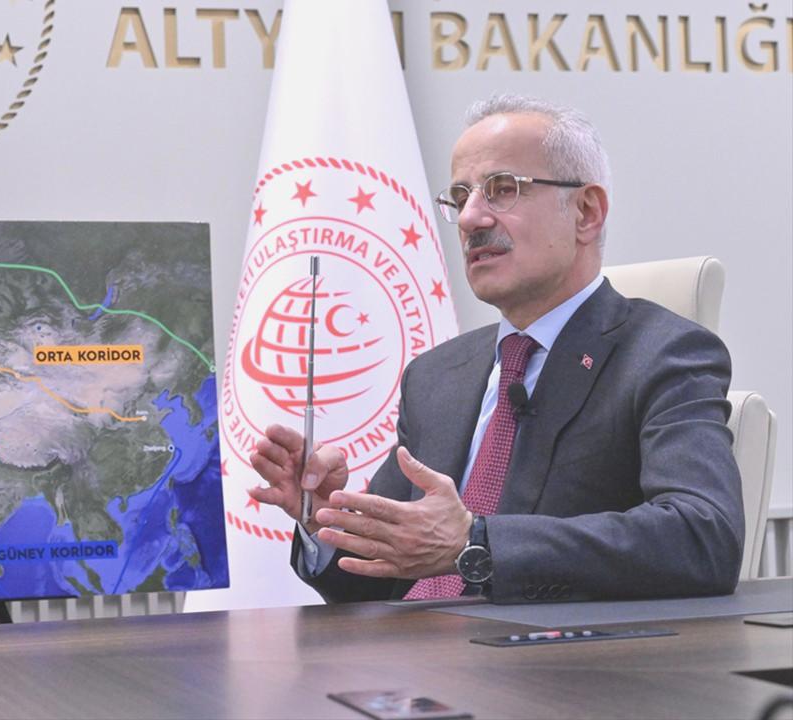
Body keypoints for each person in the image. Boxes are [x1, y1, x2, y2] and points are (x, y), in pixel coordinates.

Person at [247, 94, 744, 604]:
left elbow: (703, 537)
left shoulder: (663, 354)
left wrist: (477, 543)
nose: (469, 219)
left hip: (548, 653)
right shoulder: (436, 376)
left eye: (503, 189)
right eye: (460, 197)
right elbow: (382, 578)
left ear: (586, 212)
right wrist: (327, 518)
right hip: (409, 650)